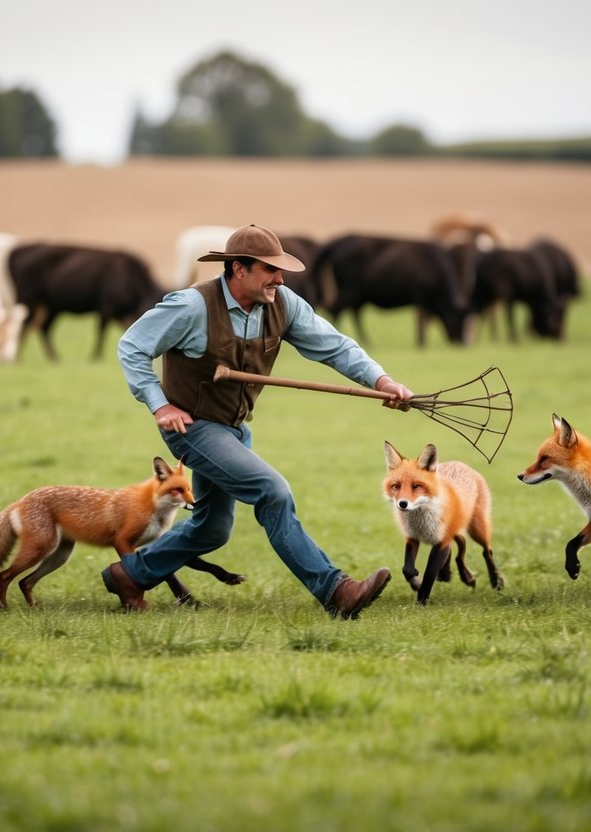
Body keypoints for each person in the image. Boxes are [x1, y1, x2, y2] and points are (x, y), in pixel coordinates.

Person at [103, 224, 413, 618]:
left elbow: (334, 346)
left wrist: (382, 381)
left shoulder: (284, 303)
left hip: (233, 430)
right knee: (273, 491)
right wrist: (159, 405)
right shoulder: (191, 306)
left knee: (212, 529)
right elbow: (132, 345)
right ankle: (336, 590)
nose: (280, 278)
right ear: (238, 270)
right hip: (192, 428)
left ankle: (130, 575)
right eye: (270, 269)